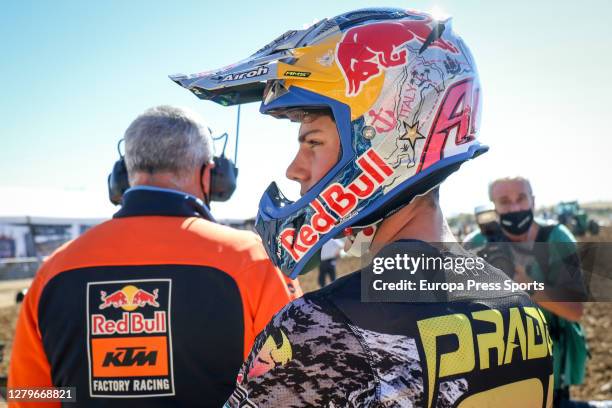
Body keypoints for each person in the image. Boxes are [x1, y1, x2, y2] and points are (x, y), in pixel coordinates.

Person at [172, 8, 554, 407]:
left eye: (313, 142)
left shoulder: (324, 326)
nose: (295, 169)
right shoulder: (519, 306)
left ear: (385, 139)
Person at [8, 105, 301, 407]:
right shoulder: (252, 260)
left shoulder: (54, 270)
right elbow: (295, 383)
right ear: (211, 175)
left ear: (122, 175)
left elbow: (28, 395)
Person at [464, 176, 589, 408]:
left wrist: (528, 286)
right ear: (493, 207)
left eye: (521, 199)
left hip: (548, 368)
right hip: (495, 371)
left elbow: (575, 310)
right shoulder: (476, 244)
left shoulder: (558, 239)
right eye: (504, 201)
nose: (514, 207)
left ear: (532, 201)